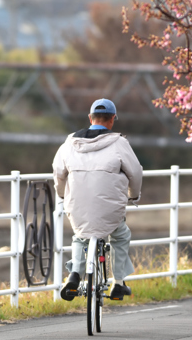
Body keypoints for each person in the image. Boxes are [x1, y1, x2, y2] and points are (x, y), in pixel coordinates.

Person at [53, 98, 143, 301]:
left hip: (78, 207)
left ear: (90, 118)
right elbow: (135, 173)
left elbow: (58, 173)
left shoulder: (70, 143)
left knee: (80, 236)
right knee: (120, 236)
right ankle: (118, 282)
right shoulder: (119, 143)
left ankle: (75, 274)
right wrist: (134, 195)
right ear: (112, 119)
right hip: (110, 210)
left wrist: (61, 193)